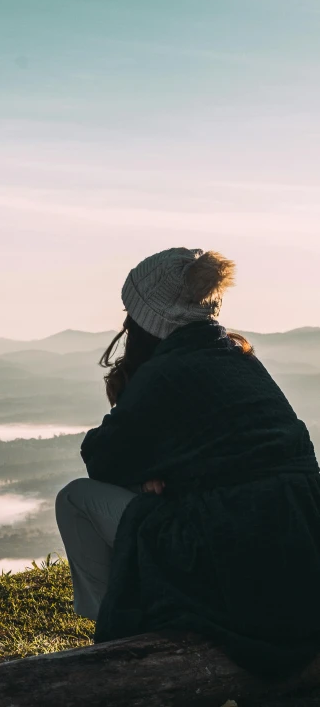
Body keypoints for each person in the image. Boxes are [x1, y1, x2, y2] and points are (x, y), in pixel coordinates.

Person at [55, 247, 320, 678]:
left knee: (75, 500)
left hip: (234, 556)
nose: (126, 326)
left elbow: (101, 458)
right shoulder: (241, 361)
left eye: (131, 315)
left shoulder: (164, 373)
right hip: (299, 551)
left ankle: (114, 637)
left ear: (150, 321)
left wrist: (150, 473)